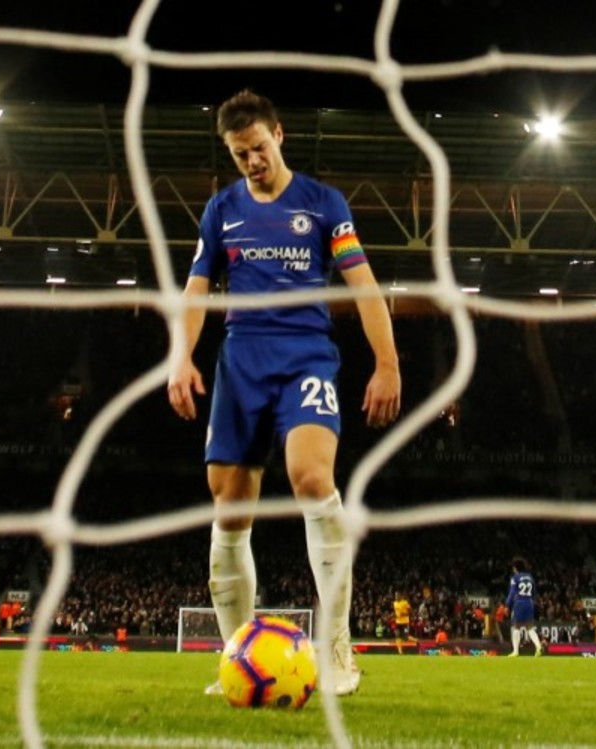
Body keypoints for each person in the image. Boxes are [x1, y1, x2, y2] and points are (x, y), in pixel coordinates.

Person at [167, 89, 401, 697]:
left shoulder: (323, 204)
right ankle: (236, 659)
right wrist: (181, 357)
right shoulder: (221, 210)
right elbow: (196, 289)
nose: (252, 161)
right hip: (241, 358)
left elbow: (363, 285)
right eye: (239, 154)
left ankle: (339, 651)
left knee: (311, 477)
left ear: (279, 135)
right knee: (229, 506)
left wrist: (387, 364)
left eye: (258, 148)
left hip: (305, 355)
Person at [505, 556, 543, 657]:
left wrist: (507, 605)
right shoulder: (530, 578)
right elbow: (534, 592)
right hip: (529, 603)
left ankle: (515, 651)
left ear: (516, 568)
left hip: (520, 602)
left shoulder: (515, 578)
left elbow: (512, 592)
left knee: (516, 626)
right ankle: (538, 646)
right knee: (529, 627)